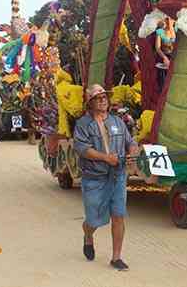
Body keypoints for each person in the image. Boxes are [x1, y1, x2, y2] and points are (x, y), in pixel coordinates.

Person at [73, 84, 139, 271]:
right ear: (90, 103)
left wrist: (132, 154)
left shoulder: (117, 122)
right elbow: (82, 149)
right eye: (98, 97)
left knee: (118, 216)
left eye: (104, 97)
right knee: (93, 220)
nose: (103, 100)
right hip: (95, 178)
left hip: (117, 177)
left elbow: (131, 142)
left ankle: (116, 257)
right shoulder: (83, 124)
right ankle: (88, 235)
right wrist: (105, 158)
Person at [155, 18, 176, 92]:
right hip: (164, 58)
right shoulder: (160, 32)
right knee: (164, 84)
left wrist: (171, 29)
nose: (169, 21)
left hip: (175, 59)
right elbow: (157, 48)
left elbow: (176, 43)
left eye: (171, 19)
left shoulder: (176, 30)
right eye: (167, 19)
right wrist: (164, 58)